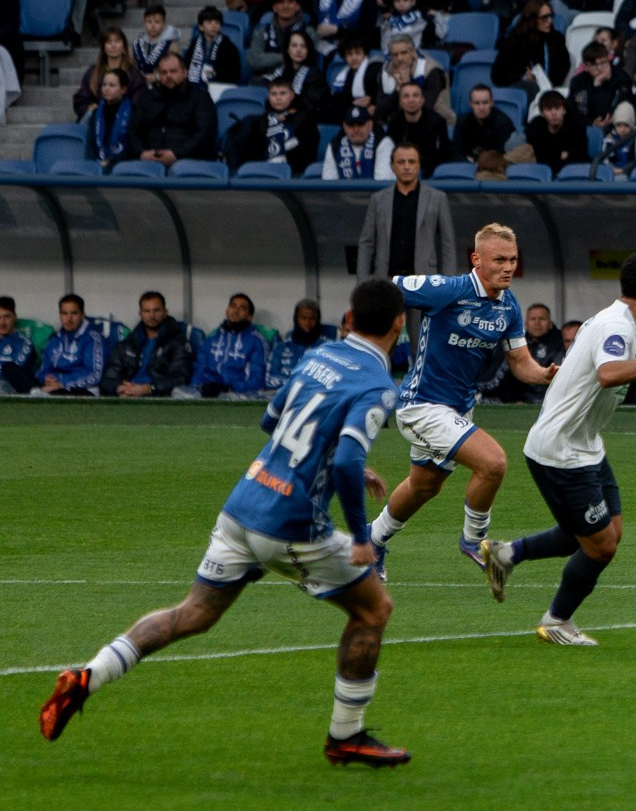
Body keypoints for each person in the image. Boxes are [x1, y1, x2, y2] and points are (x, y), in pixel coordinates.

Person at [41, 278, 412, 765]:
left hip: (244, 504)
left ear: (350, 317)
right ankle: (346, 737)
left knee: (193, 613)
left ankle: (88, 675)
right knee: (373, 610)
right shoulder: (377, 385)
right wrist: (363, 538)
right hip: (291, 524)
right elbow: (343, 462)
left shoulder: (319, 355)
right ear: (399, 324)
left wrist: (328, 458)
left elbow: (272, 421)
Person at [478, 254, 636, 646]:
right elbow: (608, 374)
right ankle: (556, 621)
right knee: (600, 544)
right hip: (561, 452)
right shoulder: (618, 326)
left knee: (608, 532)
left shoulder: (621, 320)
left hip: (584, 445)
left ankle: (506, 554)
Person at [366, 224, 559, 580]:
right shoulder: (449, 290)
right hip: (421, 406)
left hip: (457, 410)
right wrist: (373, 341)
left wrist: (545, 375)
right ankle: (474, 541)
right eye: (499, 259)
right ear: (477, 259)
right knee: (494, 462)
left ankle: (372, 539)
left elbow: (520, 363)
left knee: (425, 485)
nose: (508, 267)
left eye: (513, 260)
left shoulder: (509, 306)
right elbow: (387, 289)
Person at [101, 291, 195, 398]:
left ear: (165, 312)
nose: (152, 316)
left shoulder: (178, 343)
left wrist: (148, 389)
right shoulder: (127, 344)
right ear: (140, 314)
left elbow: (180, 379)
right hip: (127, 394)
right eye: (147, 311)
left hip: (158, 397)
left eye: (157, 310)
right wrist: (120, 388)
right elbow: (108, 379)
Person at [133, 52, 219, 166]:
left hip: (189, 162)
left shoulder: (200, 98)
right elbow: (133, 130)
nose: (168, 76)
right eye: (164, 72)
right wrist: (142, 153)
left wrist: (177, 154)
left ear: (185, 73)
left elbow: (205, 134)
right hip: (148, 160)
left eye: (173, 71)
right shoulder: (148, 97)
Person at [189, 294, 270, 399]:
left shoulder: (257, 341)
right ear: (227, 311)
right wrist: (198, 387)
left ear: (250, 317)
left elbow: (257, 380)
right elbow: (199, 370)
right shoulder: (212, 338)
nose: (235, 311)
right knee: (178, 392)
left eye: (242, 308)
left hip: (237, 393)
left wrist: (229, 388)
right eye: (233, 306)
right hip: (206, 392)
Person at [32, 295, 106, 397]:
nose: (69, 319)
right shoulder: (55, 338)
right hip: (53, 386)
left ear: (82, 315)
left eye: (74, 313)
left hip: (82, 390)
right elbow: (42, 370)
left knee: (41, 392)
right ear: (60, 315)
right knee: (12, 369)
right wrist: (46, 378)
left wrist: (62, 383)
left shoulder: (92, 338)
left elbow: (95, 375)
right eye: (64, 313)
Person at [267, 300, 331, 392]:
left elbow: (331, 382)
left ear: (318, 321)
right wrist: (299, 385)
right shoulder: (280, 348)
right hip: (284, 399)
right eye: (303, 318)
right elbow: (269, 380)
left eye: (312, 319)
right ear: (296, 319)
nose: (307, 323)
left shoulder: (328, 349)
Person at [0, 297, 37, 395]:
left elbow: (14, 374)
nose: (2, 322)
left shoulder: (24, 343)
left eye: (7, 317)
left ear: (14, 317)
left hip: (9, 387)